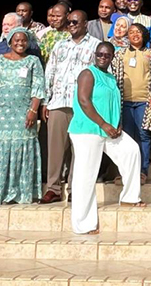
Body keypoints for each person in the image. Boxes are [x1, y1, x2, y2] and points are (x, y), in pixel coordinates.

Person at [70, 42, 145, 233]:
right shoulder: (88, 74)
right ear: (95, 55)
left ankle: (130, 198)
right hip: (88, 130)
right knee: (86, 176)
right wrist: (104, 123)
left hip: (109, 131)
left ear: (112, 57)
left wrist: (116, 123)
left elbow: (112, 104)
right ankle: (83, 223)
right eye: (100, 54)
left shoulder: (110, 77)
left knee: (131, 150)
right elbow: (84, 101)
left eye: (107, 55)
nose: (103, 57)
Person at [0, 27, 45, 204]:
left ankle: (21, 192)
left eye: (24, 40)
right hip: (2, 113)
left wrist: (32, 110)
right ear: (9, 42)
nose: (20, 43)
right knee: (1, 147)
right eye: (16, 40)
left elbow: (38, 88)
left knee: (23, 147)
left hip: (24, 113)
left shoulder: (33, 61)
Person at [40, 10, 100, 204]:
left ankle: (76, 188)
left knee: (80, 150)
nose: (71, 25)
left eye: (75, 22)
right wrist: (45, 101)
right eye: (69, 22)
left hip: (82, 106)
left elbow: (98, 77)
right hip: (58, 102)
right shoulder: (59, 45)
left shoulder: (95, 46)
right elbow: (50, 72)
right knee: (55, 150)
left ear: (85, 24)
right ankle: (53, 188)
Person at [111, 23, 151, 183]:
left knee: (143, 135)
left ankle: (142, 171)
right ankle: (124, 172)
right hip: (124, 101)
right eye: (131, 32)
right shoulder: (120, 54)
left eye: (138, 32)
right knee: (125, 137)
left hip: (144, 101)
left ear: (144, 35)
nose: (135, 35)